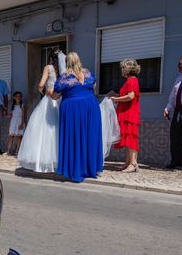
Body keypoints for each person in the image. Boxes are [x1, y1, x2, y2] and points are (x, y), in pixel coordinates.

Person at [52, 52, 103, 182]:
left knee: (74, 138)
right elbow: (93, 88)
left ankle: (75, 169)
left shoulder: (65, 77)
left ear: (66, 62)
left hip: (73, 109)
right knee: (89, 136)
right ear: (79, 60)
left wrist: (47, 92)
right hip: (91, 106)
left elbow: (55, 95)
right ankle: (90, 169)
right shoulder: (88, 74)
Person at [18, 54, 60, 172]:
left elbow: (41, 84)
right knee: (55, 129)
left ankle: (41, 158)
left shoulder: (48, 68)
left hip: (49, 99)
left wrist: (41, 89)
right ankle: (55, 159)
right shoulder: (62, 71)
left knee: (42, 129)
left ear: (50, 59)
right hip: (59, 101)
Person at [111, 59, 141, 173]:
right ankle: (128, 162)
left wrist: (116, 99)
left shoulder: (132, 80)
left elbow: (131, 96)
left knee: (131, 138)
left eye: (123, 68)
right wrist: (116, 95)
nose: (121, 70)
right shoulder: (129, 80)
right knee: (128, 138)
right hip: (126, 112)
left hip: (130, 113)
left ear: (127, 69)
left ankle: (133, 163)